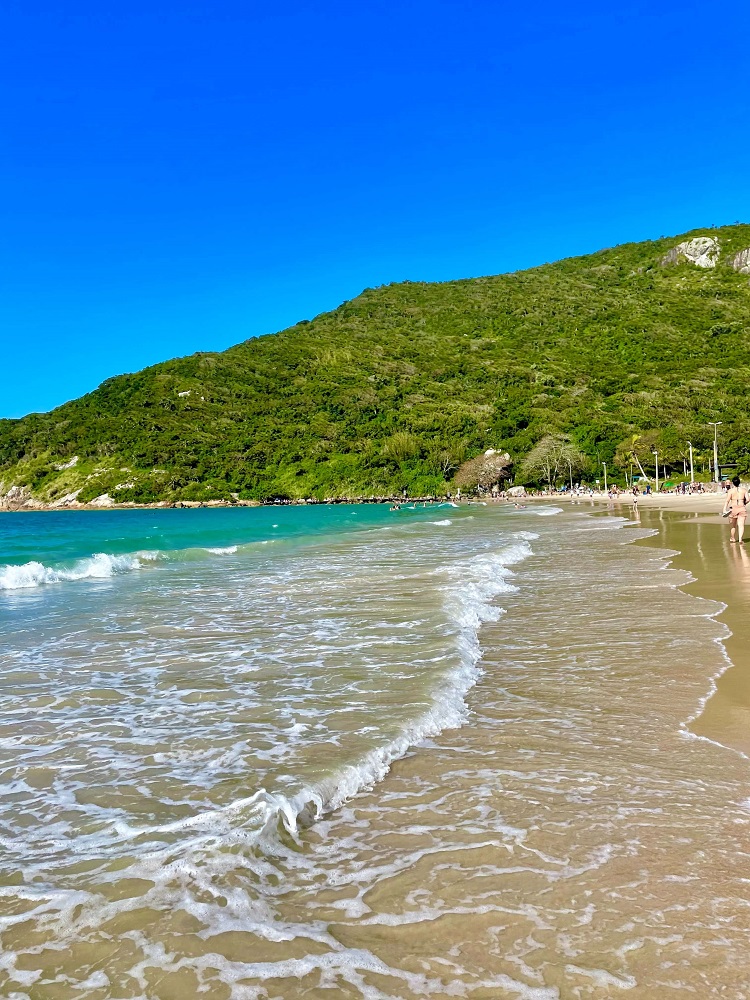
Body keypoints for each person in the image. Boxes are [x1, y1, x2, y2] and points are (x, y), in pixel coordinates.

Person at [723, 476, 748, 543]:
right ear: (739, 482)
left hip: (733, 508)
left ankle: (732, 538)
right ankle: (740, 539)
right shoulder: (744, 490)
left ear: (732, 483)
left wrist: (724, 509)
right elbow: (748, 499)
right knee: (741, 525)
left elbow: (727, 501)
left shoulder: (730, 491)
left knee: (733, 525)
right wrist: (744, 502)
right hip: (742, 508)